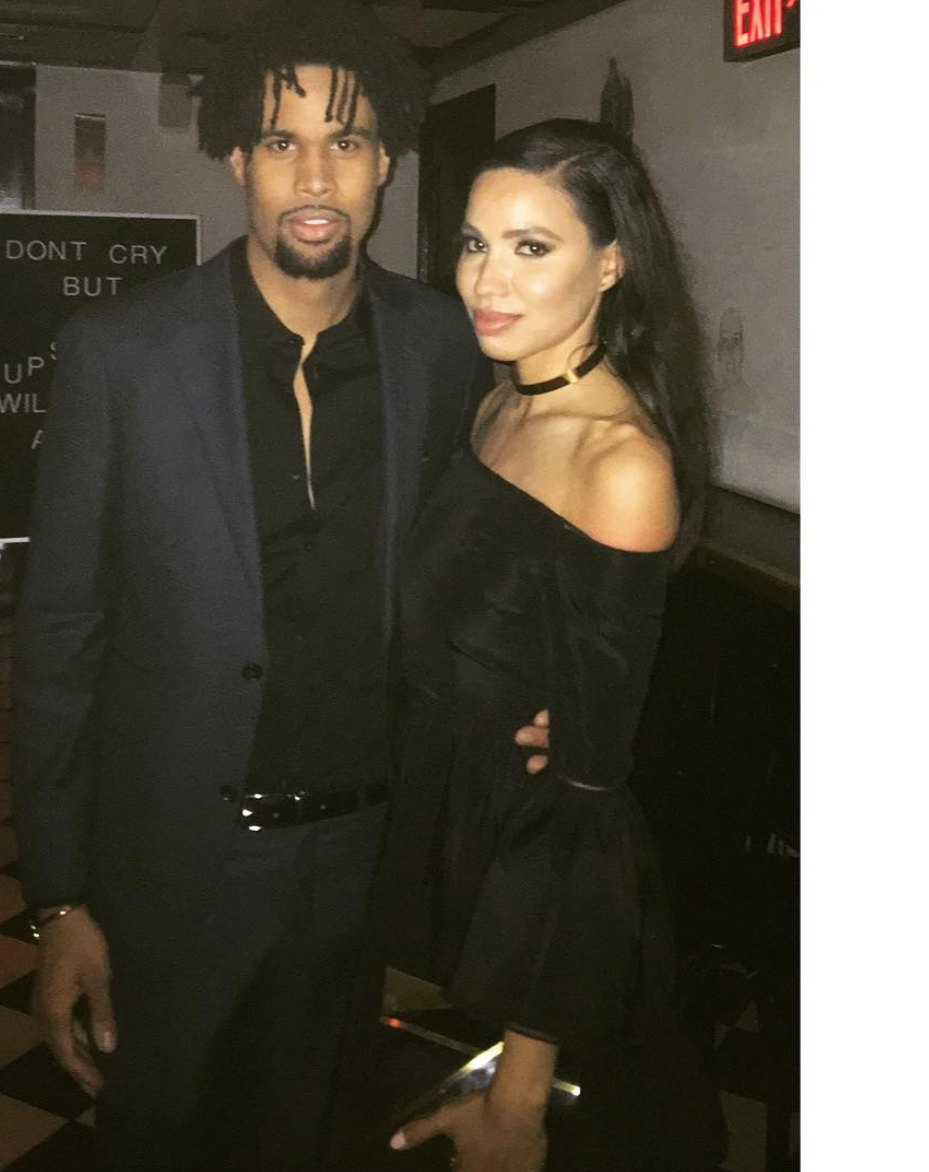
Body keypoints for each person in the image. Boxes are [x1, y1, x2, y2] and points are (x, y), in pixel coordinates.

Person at [11, 3, 547, 1168]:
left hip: (366, 862)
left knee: (322, 1138)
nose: (314, 176)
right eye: (280, 141)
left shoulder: (443, 346)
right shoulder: (123, 350)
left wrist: (534, 695)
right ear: (235, 159)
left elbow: (478, 564)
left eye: (345, 141)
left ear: (385, 161)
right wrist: (59, 898)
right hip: (176, 856)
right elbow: (59, 634)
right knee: (160, 1136)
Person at [378, 119, 718, 1171]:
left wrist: (519, 1093)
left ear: (611, 263)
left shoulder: (619, 464)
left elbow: (583, 802)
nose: (487, 279)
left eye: (532, 247)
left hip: (532, 915)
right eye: (474, 243)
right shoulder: (500, 407)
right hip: (447, 844)